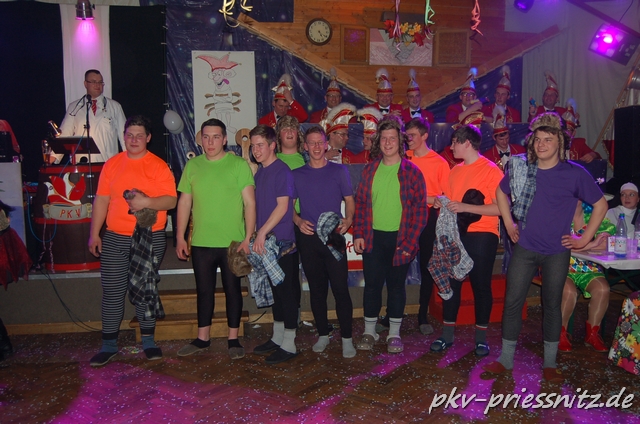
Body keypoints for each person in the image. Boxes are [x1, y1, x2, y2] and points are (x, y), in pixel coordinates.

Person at [484, 112, 607, 382]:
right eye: (537, 139)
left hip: (557, 252)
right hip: (525, 248)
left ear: (559, 142)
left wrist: (584, 239)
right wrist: (509, 222)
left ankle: (550, 363)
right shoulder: (522, 168)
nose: (541, 144)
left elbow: (601, 205)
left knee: (552, 305)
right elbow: (500, 193)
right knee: (512, 303)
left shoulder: (575, 174)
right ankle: (506, 359)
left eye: (548, 139)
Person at [88, 115, 177, 367]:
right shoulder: (112, 164)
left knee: (145, 291)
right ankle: (108, 345)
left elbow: (171, 200)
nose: (134, 140)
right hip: (115, 237)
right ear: (123, 137)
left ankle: (148, 342)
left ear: (148, 138)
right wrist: (94, 233)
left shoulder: (158, 166)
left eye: (139, 135)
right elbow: (102, 200)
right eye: (129, 135)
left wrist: (146, 202)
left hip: (149, 237)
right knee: (112, 292)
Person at [175, 118, 256, 360]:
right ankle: (202, 338)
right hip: (201, 242)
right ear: (201, 139)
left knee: (233, 290)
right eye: (206, 137)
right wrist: (179, 237)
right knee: (204, 291)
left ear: (224, 139)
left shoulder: (238, 165)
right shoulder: (193, 166)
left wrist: (247, 238)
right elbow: (184, 203)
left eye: (216, 137)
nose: (210, 142)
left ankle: (233, 339)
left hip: (232, 243)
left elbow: (250, 203)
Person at [353, 116, 427, 354]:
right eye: (384, 138)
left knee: (396, 287)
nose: (387, 143)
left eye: (392, 138)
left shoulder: (412, 173)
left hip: (401, 239)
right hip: (373, 237)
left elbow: (420, 212)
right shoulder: (369, 170)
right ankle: (369, 331)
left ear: (400, 141)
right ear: (378, 141)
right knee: (372, 286)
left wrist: (410, 243)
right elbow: (361, 204)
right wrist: (358, 233)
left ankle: (394, 334)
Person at [429, 125, 503, 357]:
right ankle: (447, 335)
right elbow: (451, 202)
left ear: (467, 143)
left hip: (483, 234)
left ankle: (481, 339)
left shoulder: (491, 170)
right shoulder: (455, 171)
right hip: (456, 233)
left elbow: (501, 208)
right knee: (452, 285)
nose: (451, 147)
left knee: (481, 285)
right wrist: (441, 202)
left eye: (454, 142)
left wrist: (464, 207)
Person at [292, 126, 356, 358]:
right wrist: (298, 220)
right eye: (312, 143)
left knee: (340, 289)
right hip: (308, 239)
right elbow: (287, 206)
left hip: (333, 237)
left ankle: (347, 338)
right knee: (317, 290)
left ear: (326, 144)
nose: (317, 147)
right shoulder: (296, 174)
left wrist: (349, 219)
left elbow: (350, 199)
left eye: (320, 142)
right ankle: (322, 334)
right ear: (305, 147)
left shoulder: (339, 171)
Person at [249, 125, 300, 364]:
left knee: (286, 294)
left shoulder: (282, 171)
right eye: (253, 146)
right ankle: (278, 337)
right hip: (267, 243)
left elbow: (283, 207)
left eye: (260, 145)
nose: (256, 150)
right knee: (276, 294)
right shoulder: (261, 173)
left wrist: (261, 233)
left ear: (272, 145)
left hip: (282, 243)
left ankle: (290, 344)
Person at [405, 117, 450, 335]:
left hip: (428, 218)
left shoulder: (439, 163)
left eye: (412, 135)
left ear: (425, 136)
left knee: (426, 267)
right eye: (407, 135)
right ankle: (390, 314)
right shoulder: (403, 158)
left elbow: (445, 197)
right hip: (403, 217)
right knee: (397, 266)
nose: (409, 139)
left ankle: (422, 315)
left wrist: (426, 200)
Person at [560, 202, 614, 353]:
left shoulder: (596, 218)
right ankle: (559, 333)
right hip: (561, 267)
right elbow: (559, 246)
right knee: (569, 292)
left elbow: (606, 245)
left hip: (589, 269)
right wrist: (591, 245)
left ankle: (592, 335)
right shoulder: (558, 218)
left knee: (602, 289)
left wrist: (577, 246)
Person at [57, 69, 126, 163]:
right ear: (85, 84)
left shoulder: (115, 106)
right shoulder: (74, 107)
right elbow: (65, 133)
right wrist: (53, 158)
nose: (98, 85)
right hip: (82, 163)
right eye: (93, 82)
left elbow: (124, 135)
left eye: (100, 82)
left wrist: (129, 159)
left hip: (108, 163)